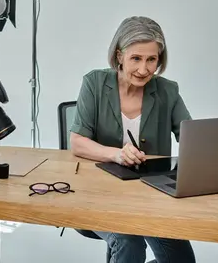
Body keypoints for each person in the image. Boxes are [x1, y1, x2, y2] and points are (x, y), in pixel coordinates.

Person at [70, 16, 196, 263]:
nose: (144, 69)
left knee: (181, 259)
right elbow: (77, 142)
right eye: (136, 58)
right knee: (129, 242)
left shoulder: (167, 91)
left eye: (152, 60)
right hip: (99, 194)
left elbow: (192, 139)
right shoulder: (94, 83)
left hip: (152, 198)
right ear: (119, 56)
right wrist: (116, 154)